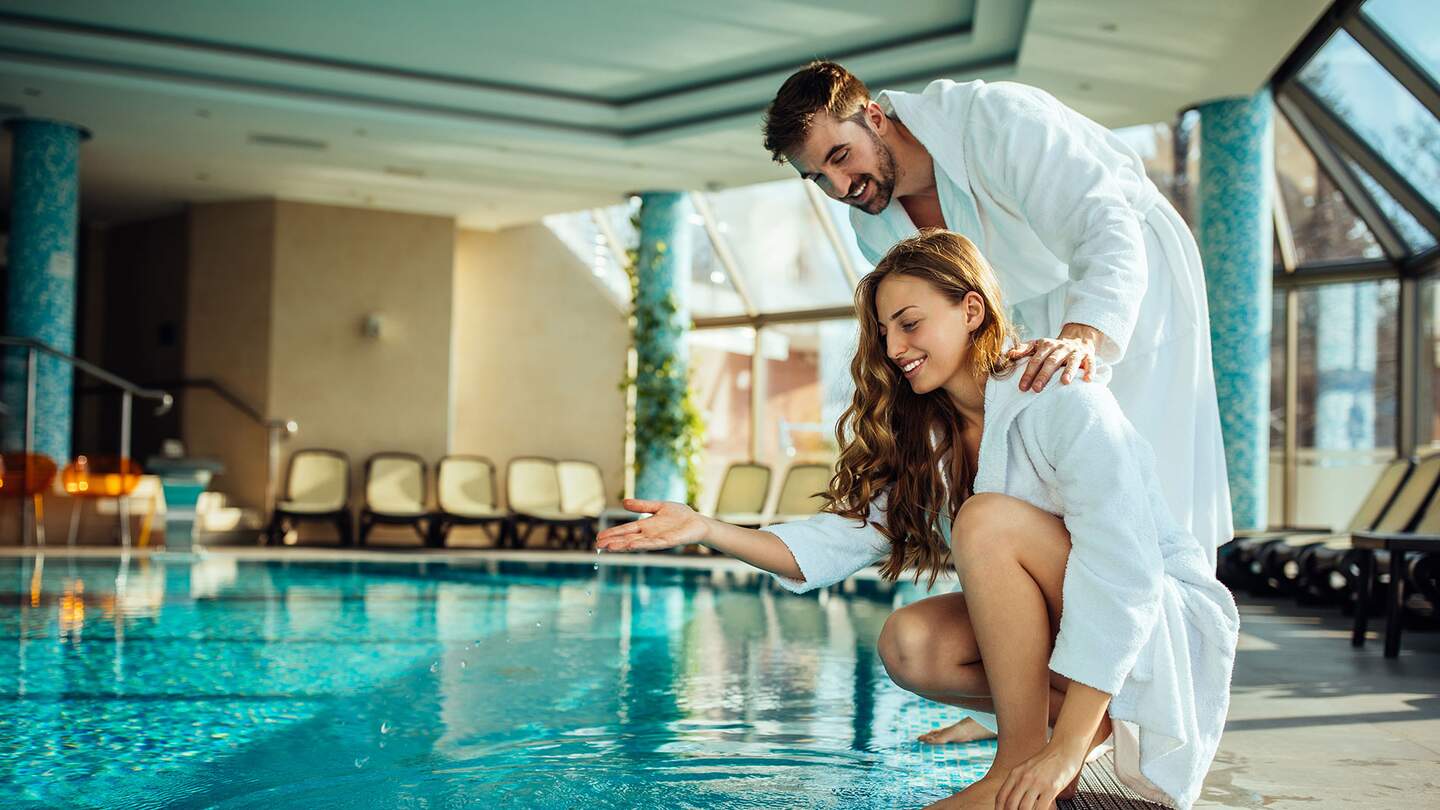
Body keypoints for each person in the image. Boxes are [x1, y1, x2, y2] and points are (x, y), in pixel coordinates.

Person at [598, 230, 1238, 810]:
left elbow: (1122, 570)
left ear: (971, 309)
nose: (895, 347)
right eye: (883, 332)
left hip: (1156, 620)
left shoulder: (1061, 394)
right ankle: (1080, 728)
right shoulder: (929, 431)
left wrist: (1062, 750)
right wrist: (706, 528)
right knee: (911, 642)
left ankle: (1030, 759)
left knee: (986, 521)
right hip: (1083, 620)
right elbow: (838, 539)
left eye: (910, 323)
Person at [761, 61, 1231, 576]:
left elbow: (1104, 221)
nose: (840, 185)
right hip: (1024, 311)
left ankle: (1172, 614)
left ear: (874, 117)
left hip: (1126, 274)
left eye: (840, 157)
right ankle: (1060, 617)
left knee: (1143, 464)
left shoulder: (994, 120)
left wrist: (1083, 337)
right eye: (818, 178)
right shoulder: (875, 229)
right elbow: (942, 325)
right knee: (1044, 471)